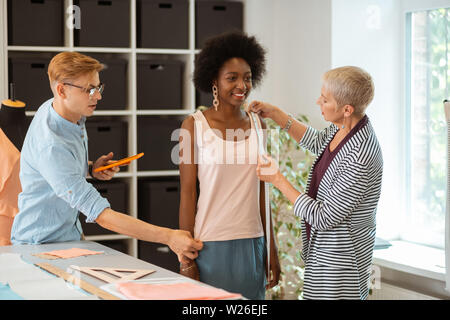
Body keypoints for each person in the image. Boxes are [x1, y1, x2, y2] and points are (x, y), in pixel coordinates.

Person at [10, 52, 202, 263]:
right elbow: (100, 215)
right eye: (89, 90)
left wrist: (90, 168)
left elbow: (58, 170)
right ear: (62, 90)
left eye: (98, 87)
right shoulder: (51, 144)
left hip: (66, 239)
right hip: (39, 247)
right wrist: (169, 237)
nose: (98, 96)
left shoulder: (63, 111)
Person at [251, 66, 383, 300]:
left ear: (346, 109)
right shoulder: (342, 127)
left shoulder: (361, 155)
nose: (317, 102)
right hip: (323, 254)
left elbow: (324, 216)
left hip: (342, 263)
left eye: (324, 99)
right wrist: (276, 114)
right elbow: (317, 142)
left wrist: (277, 179)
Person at [178, 31, 280, 300]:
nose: (241, 85)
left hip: (253, 241)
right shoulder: (194, 125)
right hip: (209, 243)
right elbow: (187, 193)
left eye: (247, 77)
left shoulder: (259, 124)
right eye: (231, 78)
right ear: (214, 80)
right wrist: (185, 257)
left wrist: (272, 247)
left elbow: (263, 190)